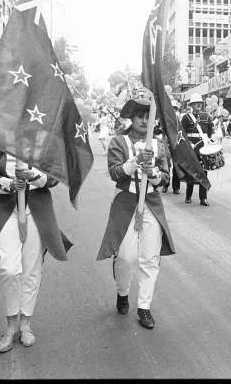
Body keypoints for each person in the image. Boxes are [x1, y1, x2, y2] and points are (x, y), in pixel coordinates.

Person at [0, 148, 72, 353]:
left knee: (31, 270)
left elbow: (55, 177)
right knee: (9, 270)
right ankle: (11, 327)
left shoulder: (45, 139)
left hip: (37, 211)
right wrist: (9, 184)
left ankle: (25, 324)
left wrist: (34, 176)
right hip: (7, 212)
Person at [96, 97, 174, 329]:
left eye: (147, 116)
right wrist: (135, 162)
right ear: (132, 118)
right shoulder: (119, 142)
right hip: (126, 203)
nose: (142, 120)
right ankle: (122, 292)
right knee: (125, 257)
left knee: (150, 258)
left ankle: (144, 307)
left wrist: (153, 174)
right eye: (139, 116)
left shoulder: (159, 145)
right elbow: (115, 173)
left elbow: (166, 179)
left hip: (151, 203)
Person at [180, 93, 216, 206]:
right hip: (191, 148)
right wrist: (188, 144)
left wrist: (211, 139)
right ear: (192, 105)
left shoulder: (206, 116)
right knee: (191, 171)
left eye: (200, 103)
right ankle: (188, 196)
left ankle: (203, 198)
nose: (198, 105)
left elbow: (211, 131)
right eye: (196, 104)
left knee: (204, 173)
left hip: (203, 148)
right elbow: (181, 133)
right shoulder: (186, 117)